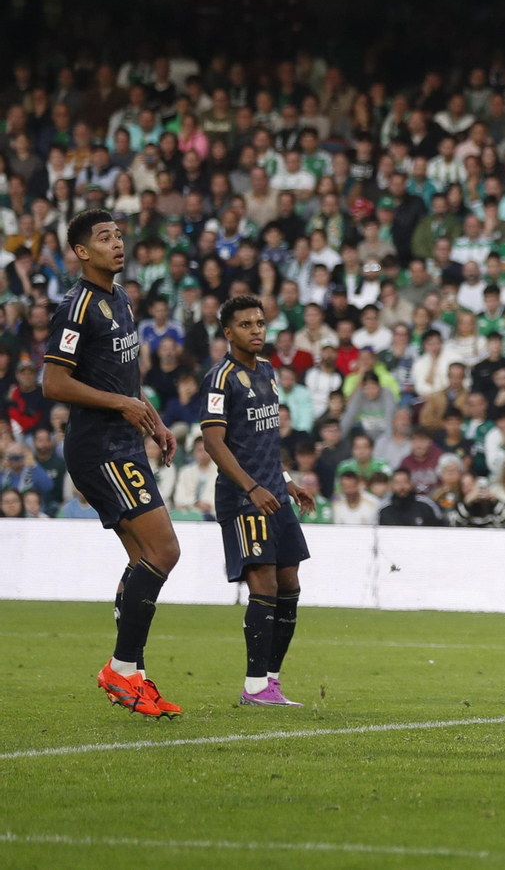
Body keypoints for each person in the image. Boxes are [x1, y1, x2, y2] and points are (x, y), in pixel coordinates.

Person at [41, 209, 183, 718]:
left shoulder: (119, 298)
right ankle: (121, 667)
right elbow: (53, 384)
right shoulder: (75, 308)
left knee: (143, 558)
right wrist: (121, 406)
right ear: (81, 252)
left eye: (119, 235)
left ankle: (135, 676)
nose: (117, 244)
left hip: (126, 441)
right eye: (104, 238)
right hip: (98, 448)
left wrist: (153, 419)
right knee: (165, 549)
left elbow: (126, 375)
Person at [200, 295, 320, 706]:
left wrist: (287, 481)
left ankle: (270, 681)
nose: (256, 330)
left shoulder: (268, 372)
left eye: (260, 323)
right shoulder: (221, 378)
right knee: (264, 582)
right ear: (228, 332)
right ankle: (254, 685)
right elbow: (214, 442)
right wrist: (252, 487)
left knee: (290, 585)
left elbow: (265, 441)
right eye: (246, 324)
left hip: (275, 496)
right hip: (243, 499)